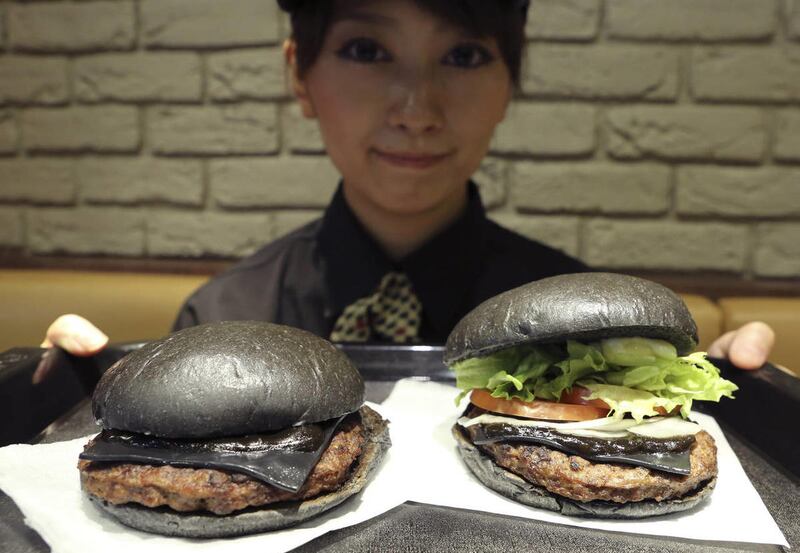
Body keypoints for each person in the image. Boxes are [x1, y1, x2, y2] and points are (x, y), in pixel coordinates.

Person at [41, 0, 775, 369]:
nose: (418, 111)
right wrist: (77, 403)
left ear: (510, 83)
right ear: (299, 73)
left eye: (463, 56)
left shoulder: (585, 317)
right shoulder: (223, 316)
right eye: (367, 50)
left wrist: (714, 411)